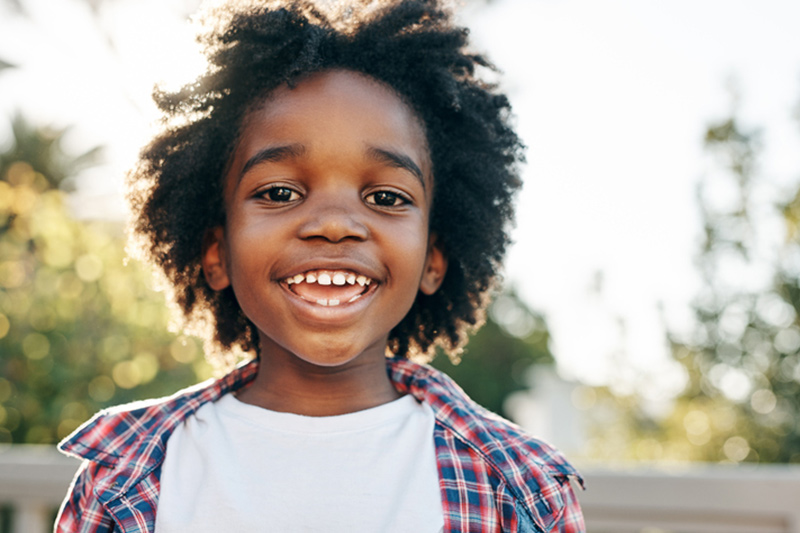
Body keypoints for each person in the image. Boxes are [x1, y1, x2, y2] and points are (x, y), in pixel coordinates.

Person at [55, 1, 584, 531]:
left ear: (433, 260)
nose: (334, 224)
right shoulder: (126, 476)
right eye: (281, 192)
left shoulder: (521, 487)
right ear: (216, 253)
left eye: (386, 197)